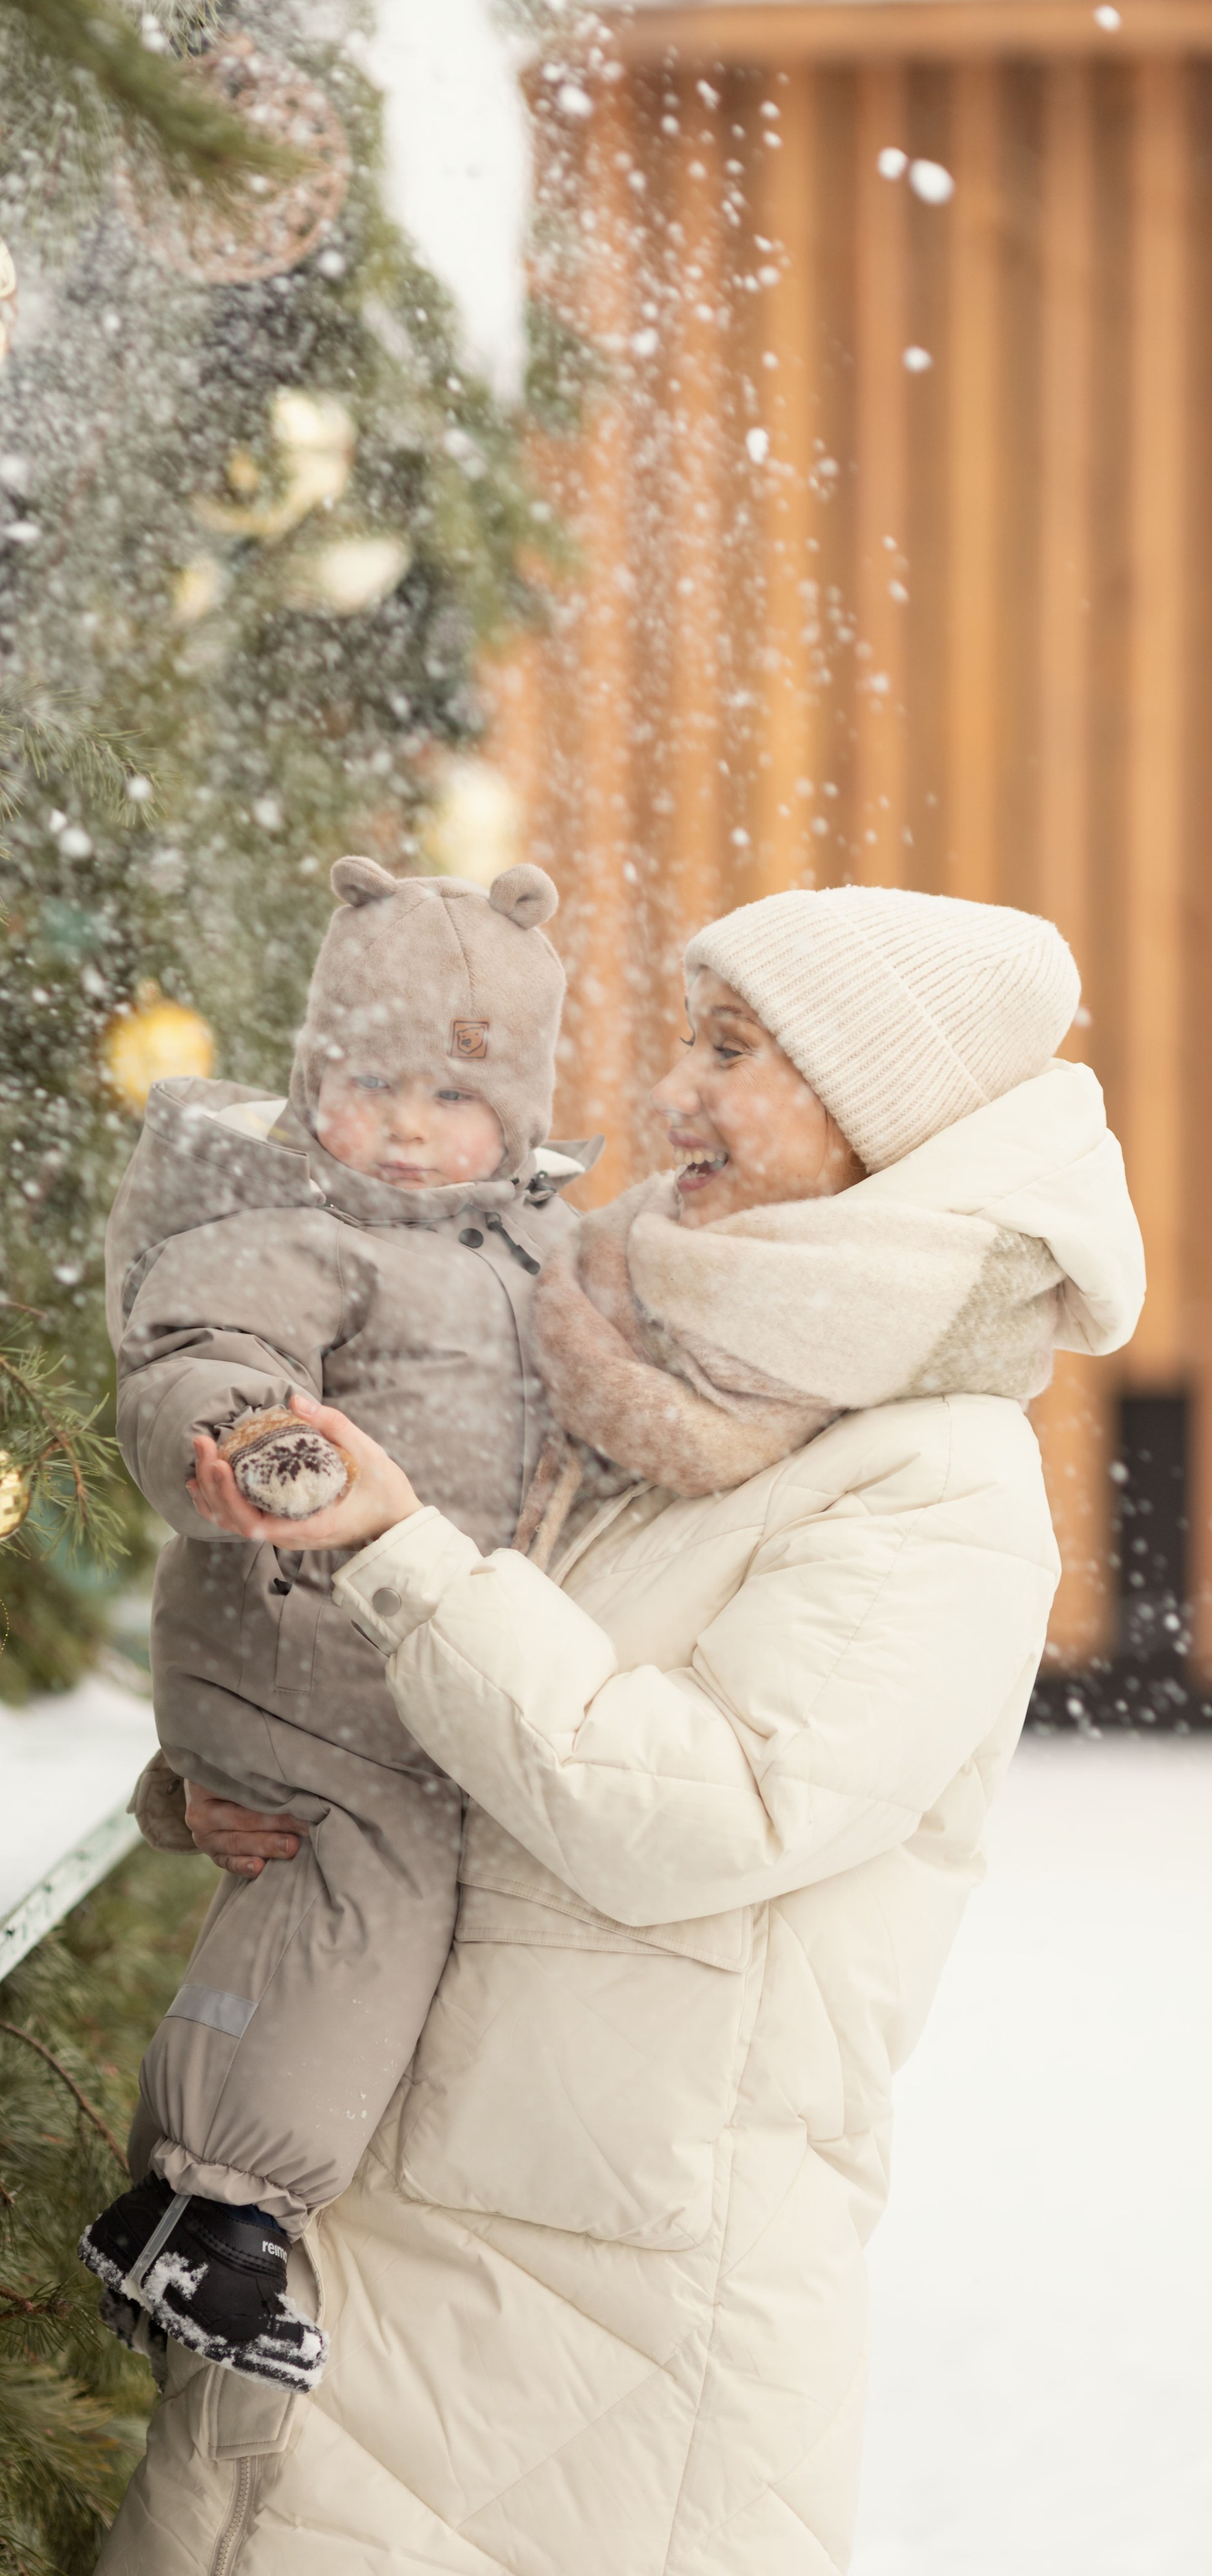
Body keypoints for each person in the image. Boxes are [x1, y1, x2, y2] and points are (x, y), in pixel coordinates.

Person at [98, 884, 1145, 2576]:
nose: (667, 1097)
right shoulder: (625, 1355)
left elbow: (694, 1815)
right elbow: (468, 1719)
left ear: (872, 1114)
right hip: (390, 2245)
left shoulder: (933, 1486)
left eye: (730, 1051)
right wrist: (243, 1771)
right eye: (683, 1038)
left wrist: (394, 1556)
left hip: (594, 2345)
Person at [80, 853, 591, 2393]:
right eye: (371, 1086)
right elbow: (197, 1349)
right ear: (313, 1085)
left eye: (454, 1100)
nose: (409, 1130)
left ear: (513, 1116)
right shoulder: (295, 1229)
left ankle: (201, 2206)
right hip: (291, 1650)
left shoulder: (530, 1251)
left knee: (356, 1896)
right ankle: (204, 2214)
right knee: (363, 1888)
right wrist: (247, 1441)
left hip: (404, 1668)